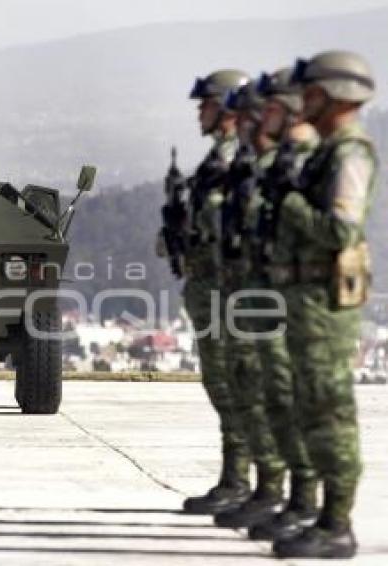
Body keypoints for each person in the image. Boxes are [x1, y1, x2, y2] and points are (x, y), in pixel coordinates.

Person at [270, 50, 377, 560]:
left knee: (328, 410)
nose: (301, 102)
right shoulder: (326, 151)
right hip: (305, 300)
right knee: (309, 406)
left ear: (334, 95)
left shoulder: (350, 153)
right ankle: (322, 517)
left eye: (310, 92)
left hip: (324, 306)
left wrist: (288, 202)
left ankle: (337, 523)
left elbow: (340, 228)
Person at [247, 66, 321, 543]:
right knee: (261, 395)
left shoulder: (319, 160)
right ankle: (275, 493)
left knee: (306, 403)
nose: (259, 117)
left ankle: (319, 513)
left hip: (303, 299)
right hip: (264, 290)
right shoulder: (269, 163)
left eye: (270, 107)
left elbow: (332, 228)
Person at [213, 79, 288, 530]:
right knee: (237, 386)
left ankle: (292, 501)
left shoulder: (284, 165)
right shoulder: (241, 163)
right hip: (239, 285)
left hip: (275, 291)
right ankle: (246, 483)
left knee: (278, 395)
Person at [179, 69, 253, 515]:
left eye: (205, 104)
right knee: (222, 384)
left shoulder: (237, 159)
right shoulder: (219, 160)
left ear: (226, 108)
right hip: (211, 286)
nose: (199, 113)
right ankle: (236, 479)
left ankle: (245, 483)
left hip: (230, 289)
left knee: (235, 386)